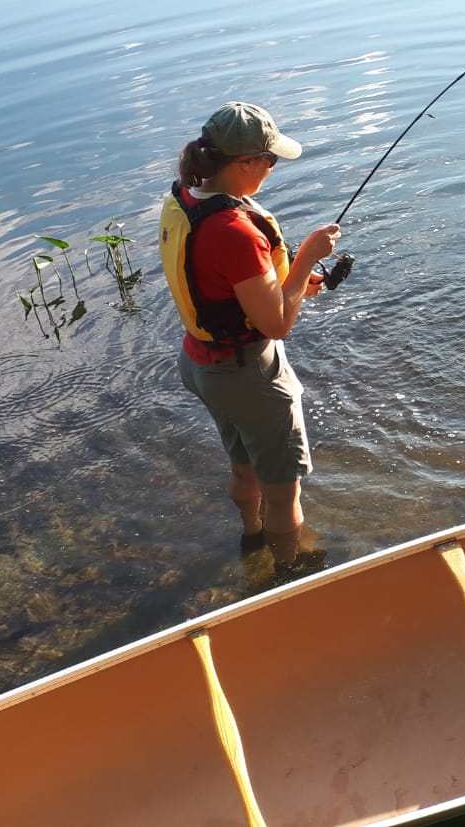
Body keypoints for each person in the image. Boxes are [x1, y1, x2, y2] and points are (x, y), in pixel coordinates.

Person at [158, 101, 340, 582]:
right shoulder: (235, 231)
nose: (272, 168)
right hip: (247, 375)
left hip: (200, 364)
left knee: (244, 467)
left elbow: (221, 285)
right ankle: (289, 573)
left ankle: (251, 537)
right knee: (285, 490)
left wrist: (296, 281)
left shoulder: (185, 199)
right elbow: (277, 325)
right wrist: (304, 260)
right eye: (270, 159)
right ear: (245, 163)